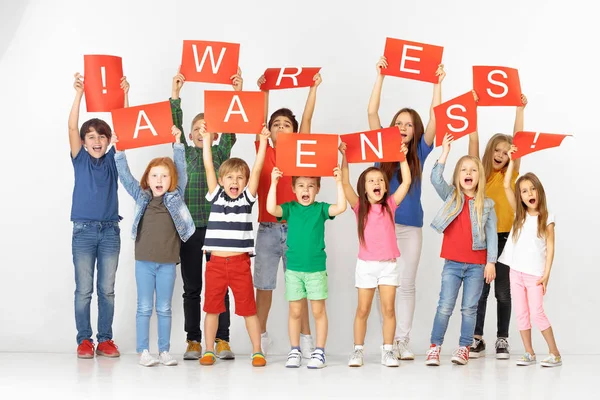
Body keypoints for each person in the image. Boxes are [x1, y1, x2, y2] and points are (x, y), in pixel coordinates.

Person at [368, 57, 445, 359]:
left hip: (411, 227)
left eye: (408, 124)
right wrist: (380, 77)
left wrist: (437, 84)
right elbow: (372, 111)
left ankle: (403, 340)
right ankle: (389, 340)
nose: (402, 127)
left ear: (415, 131)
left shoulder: (420, 152)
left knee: (407, 284)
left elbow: (435, 118)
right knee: (384, 284)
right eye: (398, 122)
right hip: (381, 228)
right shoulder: (380, 148)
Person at [169, 68, 243, 360]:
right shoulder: (185, 153)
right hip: (189, 230)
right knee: (192, 287)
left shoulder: (222, 152)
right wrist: (176, 95)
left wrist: (237, 92)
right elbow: (173, 128)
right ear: (190, 135)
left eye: (207, 128)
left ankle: (222, 339)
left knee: (219, 288)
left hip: (218, 231)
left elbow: (234, 125)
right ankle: (193, 340)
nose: (202, 132)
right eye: (197, 128)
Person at [253, 72, 322, 357]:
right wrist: (265, 91)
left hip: (296, 229)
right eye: (276, 124)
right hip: (268, 229)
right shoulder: (263, 152)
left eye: (286, 124)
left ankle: (306, 339)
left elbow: (307, 120)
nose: (281, 127)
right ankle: (261, 338)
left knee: (301, 287)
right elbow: (259, 118)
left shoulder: (300, 154)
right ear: (269, 131)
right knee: (265, 286)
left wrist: (313, 88)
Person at [198, 124, 271, 367]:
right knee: (212, 308)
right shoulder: (216, 195)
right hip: (216, 263)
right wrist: (207, 140)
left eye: (240, 178)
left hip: (240, 264)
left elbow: (258, 168)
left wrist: (262, 142)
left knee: (249, 310)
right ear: (221, 180)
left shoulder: (247, 199)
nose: (235, 181)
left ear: (245, 182)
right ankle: (208, 349)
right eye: (230, 177)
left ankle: (257, 350)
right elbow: (208, 165)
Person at [68, 72, 129, 359]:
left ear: (108, 140)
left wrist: (124, 94)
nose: (96, 141)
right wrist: (79, 94)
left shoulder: (113, 161)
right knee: (84, 290)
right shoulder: (80, 158)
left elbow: (127, 129)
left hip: (109, 232)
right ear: (83, 142)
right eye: (90, 137)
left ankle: (105, 339)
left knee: (107, 289)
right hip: (83, 231)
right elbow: (71, 128)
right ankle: (84, 340)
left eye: (101, 137)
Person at [425, 134, 497, 366]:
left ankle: (464, 347)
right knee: (445, 306)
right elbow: (435, 178)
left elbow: (492, 235)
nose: (468, 173)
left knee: (469, 309)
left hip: (477, 265)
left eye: (473, 170)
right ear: (458, 176)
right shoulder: (452, 196)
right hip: (453, 264)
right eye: (464, 170)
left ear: (479, 176)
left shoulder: (487, 204)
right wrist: (444, 152)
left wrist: (491, 262)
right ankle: (435, 346)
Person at [266, 165, 347, 369]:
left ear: (318, 189)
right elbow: (270, 209)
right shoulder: (290, 208)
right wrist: (274, 183)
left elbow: (340, 207)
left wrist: (339, 182)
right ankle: (295, 350)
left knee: (318, 311)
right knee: (295, 311)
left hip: (316, 270)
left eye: (311, 186)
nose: (306, 190)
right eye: (301, 185)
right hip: (293, 270)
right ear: (294, 188)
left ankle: (319, 352)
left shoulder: (320, 209)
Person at [339, 142, 411, 367]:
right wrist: (345, 157)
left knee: (389, 308)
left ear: (385, 187)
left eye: (380, 180)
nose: (376, 183)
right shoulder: (359, 206)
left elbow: (407, 181)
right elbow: (344, 182)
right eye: (371, 181)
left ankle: (388, 350)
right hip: (366, 266)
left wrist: (402, 157)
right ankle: (357, 350)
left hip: (389, 266)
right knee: (363, 309)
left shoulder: (390, 204)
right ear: (365, 188)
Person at [468, 92, 528, 359]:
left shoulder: (512, 174)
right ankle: (476, 338)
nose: (501, 155)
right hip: (483, 237)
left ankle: (502, 339)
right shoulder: (479, 172)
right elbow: (473, 140)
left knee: (503, 292)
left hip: (507, 238)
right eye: (497, 150)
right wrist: (473, 109)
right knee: (480, 291)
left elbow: (520, 138)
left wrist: (519, 109)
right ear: (490, 150)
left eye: (506, 152)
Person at [498, 149, 562, 367]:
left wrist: (546, 274)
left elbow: (551, 248)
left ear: (539, 191)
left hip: (535, 275)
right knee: (522, 314)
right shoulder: (520, 214)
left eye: (532, 188)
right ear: (521, 196)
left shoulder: (547, 218)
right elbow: (507, 185)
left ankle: (554, 353)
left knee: (537, 313)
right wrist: (513, 160)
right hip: (515, 271)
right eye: (524, 191)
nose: (529, 193)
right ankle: (529, 353)